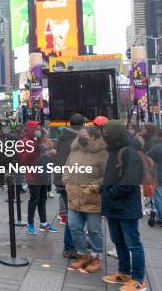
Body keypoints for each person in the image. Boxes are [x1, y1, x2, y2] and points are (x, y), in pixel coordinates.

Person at [100, 120, 147, 291]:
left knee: (133, 243)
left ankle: (138, 279)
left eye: (106, 133)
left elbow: (130, 181)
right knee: (118, 241)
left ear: (115, 134)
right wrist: (102, 188)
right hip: (113, 206)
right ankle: (124, 272)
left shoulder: (129, 151)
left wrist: (110, 193)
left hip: (126, 206)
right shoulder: (113, 150)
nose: (104, 136)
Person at [63, 127, 108, 274]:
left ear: (94, 137)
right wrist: (67, 184)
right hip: (73, 197)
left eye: (86, 134)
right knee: (74, 226)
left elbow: (107, 175)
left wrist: (94, 187)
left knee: (94, 230)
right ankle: (82, 254)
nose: (81, 135)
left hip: (92, 198)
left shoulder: (102, 153)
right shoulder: (75, 150)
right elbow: (66, 169)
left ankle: (96, 258)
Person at [18, 121, 59, 235]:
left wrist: (50, 154)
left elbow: (45, 154)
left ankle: (44, 223)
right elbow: (24, 159)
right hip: (33, 175)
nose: (39, 130)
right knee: (34, 200)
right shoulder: (24, 141)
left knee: (42, 199)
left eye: (40, 128)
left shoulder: (42, 140)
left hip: (44, 174)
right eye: (37, 128)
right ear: (31, 129)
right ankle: (30, 224)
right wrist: (36, 150)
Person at [55, 113, 86, 258]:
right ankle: (70, 246)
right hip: (70, 181)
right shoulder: (78, 140)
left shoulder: (61, 137)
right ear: (81, 125)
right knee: (74, 213)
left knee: (73, 212)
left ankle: (75, 243)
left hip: (61, 179)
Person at [146, 131, 162, 226]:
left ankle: (161, 218)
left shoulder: (157, 148)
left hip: (158, 176)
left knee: (159, 197)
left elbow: (146, 156)